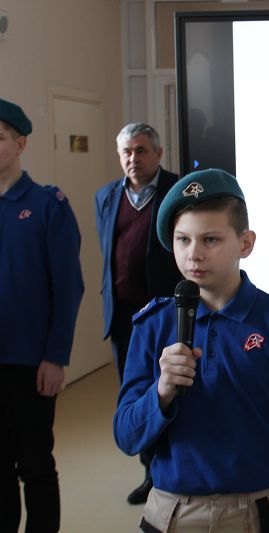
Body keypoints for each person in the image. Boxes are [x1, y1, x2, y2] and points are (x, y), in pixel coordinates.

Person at [113, 168, 269, 532]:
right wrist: (161, 391)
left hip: (256, 513)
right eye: (182, 240)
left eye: (210, 239)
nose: (193, 255)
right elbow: (126, 436)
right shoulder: (153, 325)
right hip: (171, 512)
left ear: (245, 243)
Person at [0, 98, 84, 532]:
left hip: (30, 362)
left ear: (20, 144)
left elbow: (68, 288)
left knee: (35, 464)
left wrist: (56, 356)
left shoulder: (47, 204)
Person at [95, 122, 183, 504]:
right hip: (123, 318)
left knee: (171, 391)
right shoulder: (106, 196)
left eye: (141, 150)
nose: (133, 158)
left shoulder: (178, 190)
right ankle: (151, 473)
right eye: (127, 152)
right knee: (135, 396)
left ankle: (174, 467)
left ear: (158, 154)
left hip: (166, 317)